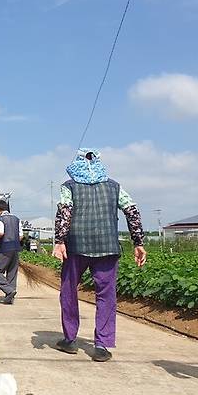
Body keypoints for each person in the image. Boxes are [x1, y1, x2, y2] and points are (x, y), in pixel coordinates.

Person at [53, 148, 147, 362]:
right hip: (108, 247)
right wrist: (138, 242)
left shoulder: (69, 186)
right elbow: (131, 210)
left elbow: (65, 212)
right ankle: (102, 345)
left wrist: (59, 240)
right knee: (106, 295)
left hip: (76, 246)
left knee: (69, 292)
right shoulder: (115, 186)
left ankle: (69, 339)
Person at [0, 199, 23, 304]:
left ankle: (9, 291)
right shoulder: (16, 219)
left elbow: (0, 233)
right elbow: (21, 236)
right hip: (15, 249)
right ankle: (10, 297)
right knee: (12, 273)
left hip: (4, 249)